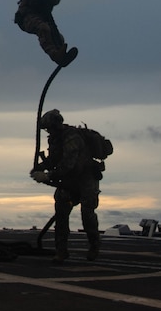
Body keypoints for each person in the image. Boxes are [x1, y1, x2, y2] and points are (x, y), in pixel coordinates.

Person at [31, 109, 106, 261]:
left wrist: (47, 176)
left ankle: (94, 246)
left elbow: (68, 165)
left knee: (87, 214)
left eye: (49, 128)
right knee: (61, 213)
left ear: (55, 125)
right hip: (68, 180)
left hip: (86, 179)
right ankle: (61, 251)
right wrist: (40, 167)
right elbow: (54, 159)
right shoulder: (55, 139)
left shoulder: (72, 138)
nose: (48, 132)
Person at [14, 0, 77, 66]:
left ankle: (61, 54)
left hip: (41, 18)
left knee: (59, 38)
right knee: (44, 29)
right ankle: (54, 55)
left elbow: (54, 0)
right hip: (27, 18)